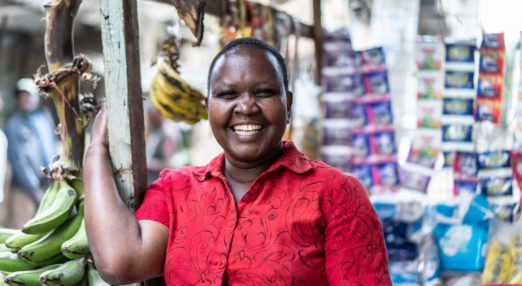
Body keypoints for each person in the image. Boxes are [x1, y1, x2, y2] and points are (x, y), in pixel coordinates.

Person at [84, 38, 391, 285]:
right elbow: (119, 263)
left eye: (264, 92)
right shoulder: (176, 190)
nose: (246, 107)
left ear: (289, 104)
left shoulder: (336, 193)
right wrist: (96, 150)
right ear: (208, 107)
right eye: (228, 94)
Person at [4, 78, 57, 227]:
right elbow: (18, 160)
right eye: (22, 96)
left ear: (37, 97)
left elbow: (51, 149)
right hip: (23, 190)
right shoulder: (13, 125)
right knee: (20, 231)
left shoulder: (44, 121)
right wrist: (33, 190)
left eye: (29, 95)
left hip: (46, 187)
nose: (25, 99)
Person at [144, 100, 178, 184]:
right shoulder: (151, 133)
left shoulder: (167, 137)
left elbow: (168, 165)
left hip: (158, 183)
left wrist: (147, 163)